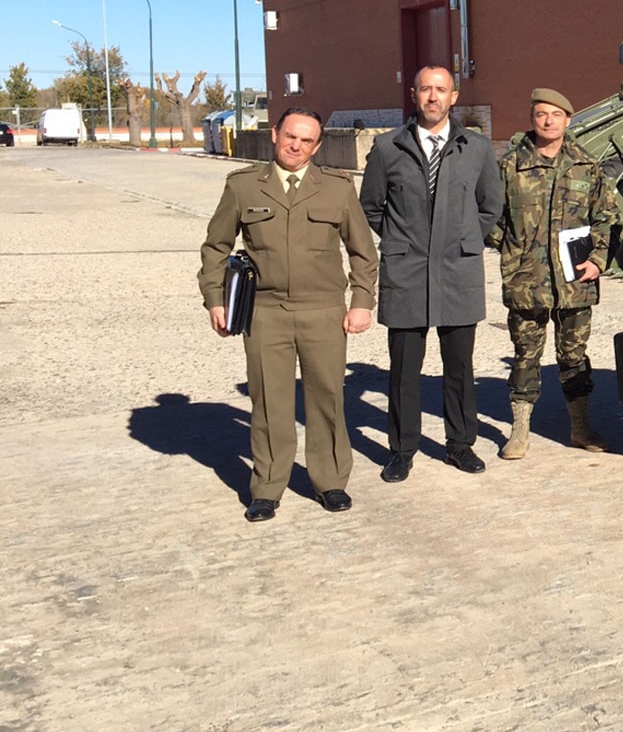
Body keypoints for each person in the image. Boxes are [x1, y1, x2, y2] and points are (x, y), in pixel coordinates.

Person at [198, 107, 378, 521]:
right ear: (275, 133)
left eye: (306, 140)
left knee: (327, 398)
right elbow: (215, 247)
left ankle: (330, 481)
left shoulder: (337, 188)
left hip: (322, 312)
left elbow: (363, 252)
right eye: (289, 136)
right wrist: (215, 298)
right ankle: (267, 485)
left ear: (317, 146)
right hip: (265, 312)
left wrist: (362, 303)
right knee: (268, 401)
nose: (296, 145)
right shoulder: (244, 187)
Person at [360, 65, 505, 481]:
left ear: (453, 97)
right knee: (405, 368)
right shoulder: (388, 148)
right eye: (426, 89)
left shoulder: (475, 148)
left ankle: (460, 444)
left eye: (441, 90)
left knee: (459, 366)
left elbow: (490, 206)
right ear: (413, 94)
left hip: (458, 271)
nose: (433, 97)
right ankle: (402, 449)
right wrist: (402, 241)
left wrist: (463, 238)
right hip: (406, 273)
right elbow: (371, 205)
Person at [487, 88, 617, 461]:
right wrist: (510, 246)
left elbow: (606, 218)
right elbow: (488, 215)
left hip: (575, 281)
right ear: (532, 118)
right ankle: (520, 430)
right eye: (541, 114)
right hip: (526, 280)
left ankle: (580, 427)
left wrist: (598, 259)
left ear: (568, 121)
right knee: (525, 355)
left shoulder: (585, 166)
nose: (548, 121)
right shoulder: (510, 166)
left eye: (555, 115)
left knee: (574, 356)